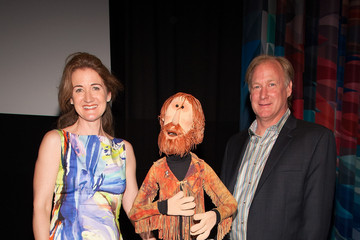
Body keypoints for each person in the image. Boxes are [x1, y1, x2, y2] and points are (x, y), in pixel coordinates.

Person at [32, 52, 153, 240]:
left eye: (95, 88)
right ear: (70, 98)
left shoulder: (124, 150)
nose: (88, 98)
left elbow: (134, 210)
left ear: (108, 94)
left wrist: (150, 237)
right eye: (79, 89)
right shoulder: (56, 141)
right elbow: (41, 207)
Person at [220, 55, 336, 240]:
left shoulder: (316, 140)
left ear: (288, 88)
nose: (263, 94)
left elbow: (315, 226)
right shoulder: (234, 144)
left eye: (271, 84)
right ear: (250, 93)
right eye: (257, 86)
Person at [129, 92, 237, 240]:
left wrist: (214, 216)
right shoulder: (157, 169)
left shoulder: (200, 168)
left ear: (195, 128)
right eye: (172, 112)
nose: (174, 121)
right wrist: (163, 207)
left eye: (183, 113)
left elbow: (230, 203)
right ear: (162, 121)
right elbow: (135, 212)